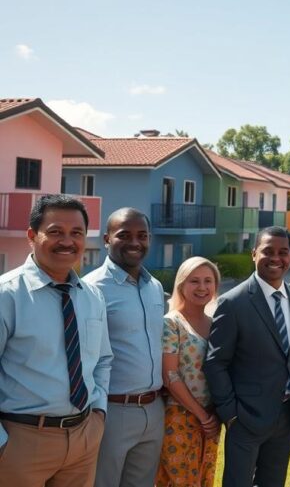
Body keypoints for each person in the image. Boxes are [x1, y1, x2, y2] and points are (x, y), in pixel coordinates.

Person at [0, 194, 112, 485]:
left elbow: (102, 360)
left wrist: (98, 414)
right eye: (55, 232)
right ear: (31, 236)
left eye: (76, 233)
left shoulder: (92, 296)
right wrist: (2, 444)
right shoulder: (6, 296)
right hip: (21, 442)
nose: (67, 241)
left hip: (83, 439)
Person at [204, 226, 290, 487]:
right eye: (268, 251)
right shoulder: (233, 302)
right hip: (245, 420)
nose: (276, 258)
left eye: (283, 252)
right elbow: (216, 362)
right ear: (254, 254)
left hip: (286, 417)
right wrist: (231, 414)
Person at [87, 208, 166, 487]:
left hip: (154, 408)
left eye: (142, 235)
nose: (135, 242)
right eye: (125, 235)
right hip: (112, 410)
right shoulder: (92, 289)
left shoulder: (154, 286)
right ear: (107, 239)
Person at [157, 257, 221, 487]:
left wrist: (212, 416)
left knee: (205, 480)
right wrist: (202, 416)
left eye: (208, 281)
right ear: (181, 285)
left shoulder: (216, 324)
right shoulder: (171, 323)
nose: (202, 287)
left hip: (212, 420)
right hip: (179, 418)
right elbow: (170, 375)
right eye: (194, 281)